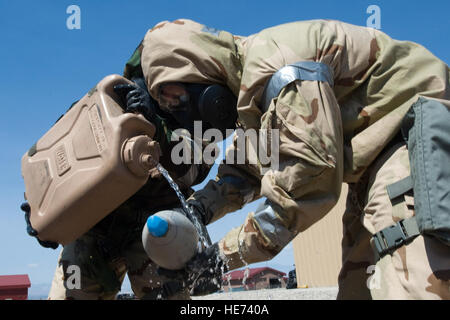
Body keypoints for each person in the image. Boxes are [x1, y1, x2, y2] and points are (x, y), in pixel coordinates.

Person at [137, 19, 450, 299]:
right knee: (360, 285)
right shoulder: (250, 96)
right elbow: (243, 173)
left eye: (177, 98)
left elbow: (304, 189)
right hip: (373, 160)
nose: (180, 111)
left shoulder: (280, 71)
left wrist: (218, 260)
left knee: (411, 278)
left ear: (200, 68)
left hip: (412, 130)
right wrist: (196, 210)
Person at [22, 47, 214, 300]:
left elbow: (193, 168)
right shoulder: (105, 101)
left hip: (156, 230)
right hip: (95, 227)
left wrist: (157, 128)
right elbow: (55, 159)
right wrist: (40, 211)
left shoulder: (199, 119)